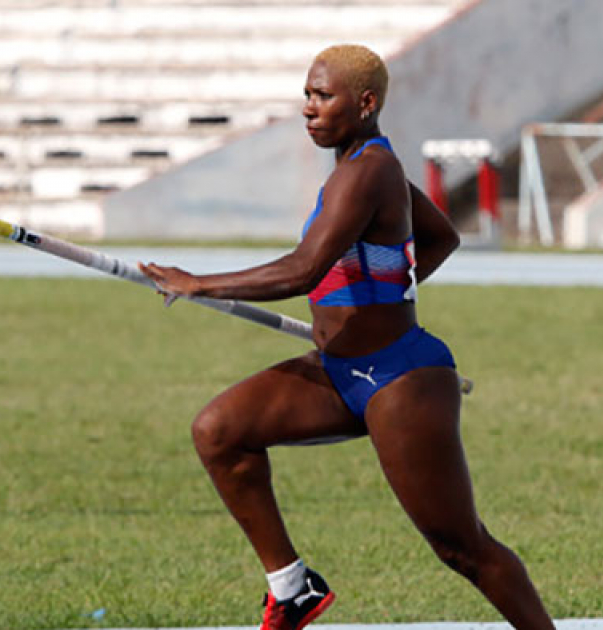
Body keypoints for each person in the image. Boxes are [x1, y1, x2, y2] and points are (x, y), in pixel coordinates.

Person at [139, 45, 555, 630]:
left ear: (365, 103)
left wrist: (199, 283)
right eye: (307, 95)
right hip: (338, 372)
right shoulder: (361, 168)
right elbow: (438, 240)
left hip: (400, 378)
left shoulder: (370, 172)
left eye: (323, 96)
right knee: (219, 431)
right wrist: (370, 302)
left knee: (460, 546)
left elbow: (302, 269)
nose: (310, 108)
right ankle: (292, 588)